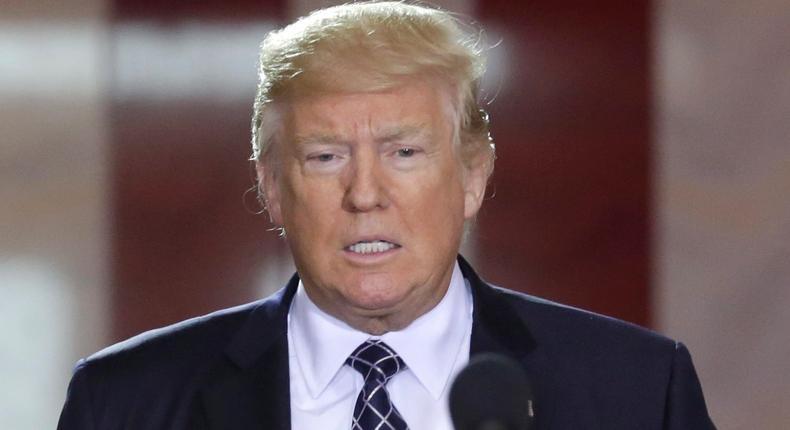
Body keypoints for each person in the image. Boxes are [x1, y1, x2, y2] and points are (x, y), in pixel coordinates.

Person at [57, 2, 715, 429]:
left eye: (403, 152)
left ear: (473, 177)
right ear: (272, 188)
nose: (365, 193)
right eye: (324, 156)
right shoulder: (124, 405)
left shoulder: (637, 393)